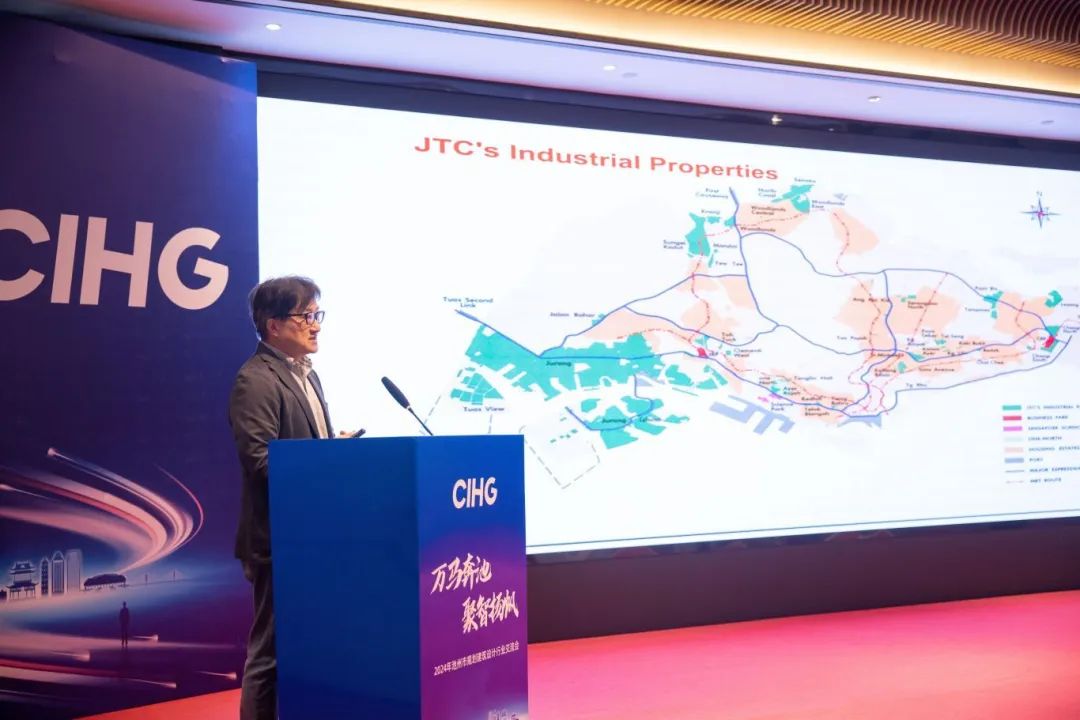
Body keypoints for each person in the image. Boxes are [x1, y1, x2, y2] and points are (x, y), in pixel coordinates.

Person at [229, 276, 335, 720]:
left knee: (307, 647)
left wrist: (337, 452)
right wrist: (323, 464)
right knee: (270, 654)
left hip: (314, 537)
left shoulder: (308, 375)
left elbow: (304, 448)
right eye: (305, 316)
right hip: (278, 540)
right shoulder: (255, 380)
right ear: (273, 325)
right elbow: (261, 460)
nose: (316, 325)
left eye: (317, 315)